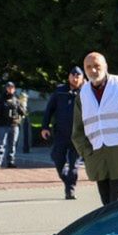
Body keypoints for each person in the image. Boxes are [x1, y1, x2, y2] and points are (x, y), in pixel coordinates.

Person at [72, 52, 118, 205]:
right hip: (97, 155)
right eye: (89, 67)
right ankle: (116, 229)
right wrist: (86, 152)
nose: (93, 70)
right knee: (106, 204)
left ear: (105, 67)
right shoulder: (83, 93)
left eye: (97, 66)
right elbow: (78, 129)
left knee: (117, 203)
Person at [43, 67, 83, 198]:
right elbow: (49, 110)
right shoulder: (60, 91)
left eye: (78, 76)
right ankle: (66, 179)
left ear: (82, 78)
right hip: (61, 133)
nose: (75, 78)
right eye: (73, 75)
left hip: (78, 134)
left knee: (74, 164)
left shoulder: (86, 92)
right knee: (58, 159)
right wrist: (45, 127)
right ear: (69, 77)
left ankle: (70, 189)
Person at [0, 81, 27, 169]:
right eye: (9, 88)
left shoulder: (16, 100)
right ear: (6, 88)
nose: (10, 89)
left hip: (14, 125)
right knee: (1, 144)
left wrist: (23, 107)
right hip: (3, 125)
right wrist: (0, 108)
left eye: (12, 88)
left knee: (12, 144)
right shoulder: (1, 99)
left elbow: (22, 112)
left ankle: (11, 161)